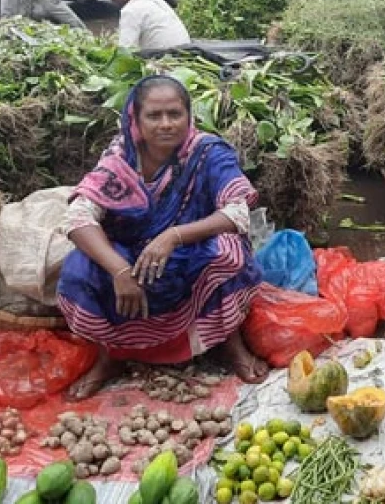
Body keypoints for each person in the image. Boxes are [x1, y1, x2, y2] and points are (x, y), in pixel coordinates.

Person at [59, 76, 269, 398]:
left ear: (189, 116)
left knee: (229, 253)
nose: (166, 124)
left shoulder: (208, 153)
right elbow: (78, 217)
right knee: (78, 270)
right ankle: (109, 356)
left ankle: (231, 344)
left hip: (189, 249)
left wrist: (173, 236)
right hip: (130, 254)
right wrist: (119, 270)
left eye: (175, 114)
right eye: (154, 116)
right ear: (136, 120)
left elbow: (237, 213)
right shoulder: (120, 157)